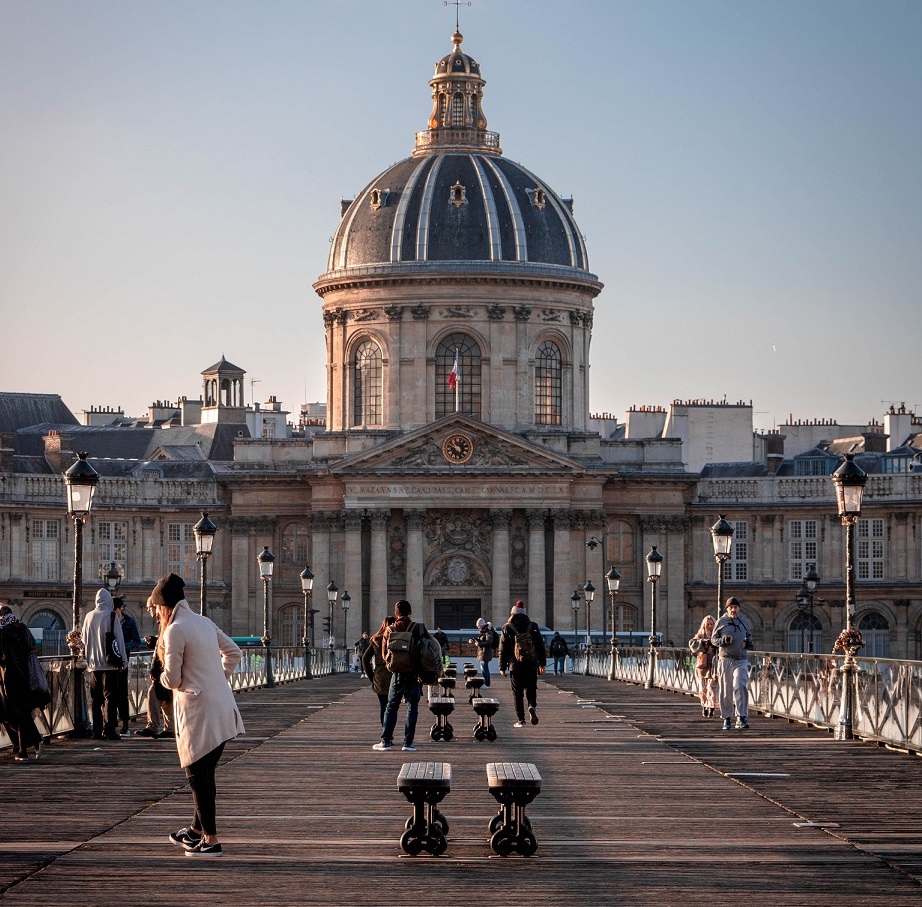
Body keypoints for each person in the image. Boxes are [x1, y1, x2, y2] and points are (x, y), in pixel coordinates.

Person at [154, 572, 245, 858]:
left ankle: (211, 840)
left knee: (196, 776)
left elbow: (172, 678)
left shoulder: (174, 629)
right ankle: (195, 832)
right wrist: (218, 677)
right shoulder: (204, 622)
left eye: (157, 608)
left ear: (163, 606)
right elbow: (234, 652)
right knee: (206, 774)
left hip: (197, 710)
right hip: (222, 708)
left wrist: (163, 678)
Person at [372, 600, 430, 753]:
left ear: (396, 613)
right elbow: (430, 648)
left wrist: (396, 663)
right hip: (414, 674)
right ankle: (408, 743)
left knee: (391, 707)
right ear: (410, 612)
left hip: (397, 674)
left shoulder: (390, 629)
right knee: (412, 707)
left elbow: (385, 655)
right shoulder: (419, 628)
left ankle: (385, 742)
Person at [81, 588, 128, 740]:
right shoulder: (112, 616)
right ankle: (109, 729)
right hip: (110, 664)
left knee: (96, 699)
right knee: (110, 698)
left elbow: (84, 640)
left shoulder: (88, 616)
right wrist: (124, 661)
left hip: (94, 664)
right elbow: (119, 641)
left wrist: (87, 659)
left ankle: (96, 731)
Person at [0, 605, 45, 761]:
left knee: (14, 713)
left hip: (8, 676)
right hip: (25, 675)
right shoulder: (22, 627)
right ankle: (23, 749)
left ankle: (31, 743)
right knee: (20, 712)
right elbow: (32, 646)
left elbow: (2, 656)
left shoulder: (2, 631)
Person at [497, 601, 547, 728]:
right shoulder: (533, 626)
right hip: (531, 664)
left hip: (515, 665)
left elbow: (502, 649)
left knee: (517, 693)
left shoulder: (507, 627)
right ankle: (531, 706)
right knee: (531, 688)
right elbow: (541, 646)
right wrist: (542, 663)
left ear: (512, 613)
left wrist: (502, 667)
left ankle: (521, 720)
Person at [711, 597, 753, 730]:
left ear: (739, 608)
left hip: (741, 659)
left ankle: (741, 717)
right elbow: (713, 639)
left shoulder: (744, 621)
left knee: (740, 685)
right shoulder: (721, 622)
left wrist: (747, 643)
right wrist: (722, 641)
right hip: (726, 659)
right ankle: (727, 718)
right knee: (726, 689)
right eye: (731, 607)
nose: (733, 610)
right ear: (727, 609)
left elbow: (750, 637)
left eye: (735, 607)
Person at [135, 596, 174, 739]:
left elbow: (164, 647)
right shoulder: (165, 621)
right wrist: (155, 642)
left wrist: (155, 669)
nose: (148, 610)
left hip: (163, 667)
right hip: (167, 667)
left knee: (154, 693)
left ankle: (152, 726)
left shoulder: (165, 622)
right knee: (167, 697)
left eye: (150, 607)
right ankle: (169, 728)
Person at [113, 596, 143, 736]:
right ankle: (111, 724)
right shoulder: (109, 621)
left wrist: (123, 647)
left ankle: (125, 724)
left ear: (119, 609)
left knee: (122, 694)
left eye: (115, 611)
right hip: (111, 662)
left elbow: (136, 641)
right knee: (111, 695)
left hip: (123, 662)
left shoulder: (130, 622)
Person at [362, 616, 394, 726]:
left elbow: (365, 659)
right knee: (393, 707)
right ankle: (390, 732)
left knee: (383, 706)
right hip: (395, 675)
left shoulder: (377, 640)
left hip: (380, 676)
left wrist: (372, 677)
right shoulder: (398, 639)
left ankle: (386, 735)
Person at [689, 615, 718, 718]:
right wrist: (703, 642)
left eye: (712, 624)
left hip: (714, 665)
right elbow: (692, 643)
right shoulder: (700, 634)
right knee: (703, 688)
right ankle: (704, 706)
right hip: (703, 665)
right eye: (708, 624)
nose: (710, 626)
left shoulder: (717, 634)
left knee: (712, 688)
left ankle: (711, 707)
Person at [469, 618, 494, 687]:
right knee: (484, 669)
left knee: (485, 670)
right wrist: (473, 640)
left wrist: (479, 644)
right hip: (482, 653)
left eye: (479, 626)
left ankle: (486, 684)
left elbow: (489, 642)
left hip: (485, 653)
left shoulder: (488, 632)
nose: (478, 628)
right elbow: (480, 639)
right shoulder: (483, 632)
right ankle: (485, 683)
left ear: (482, 625)